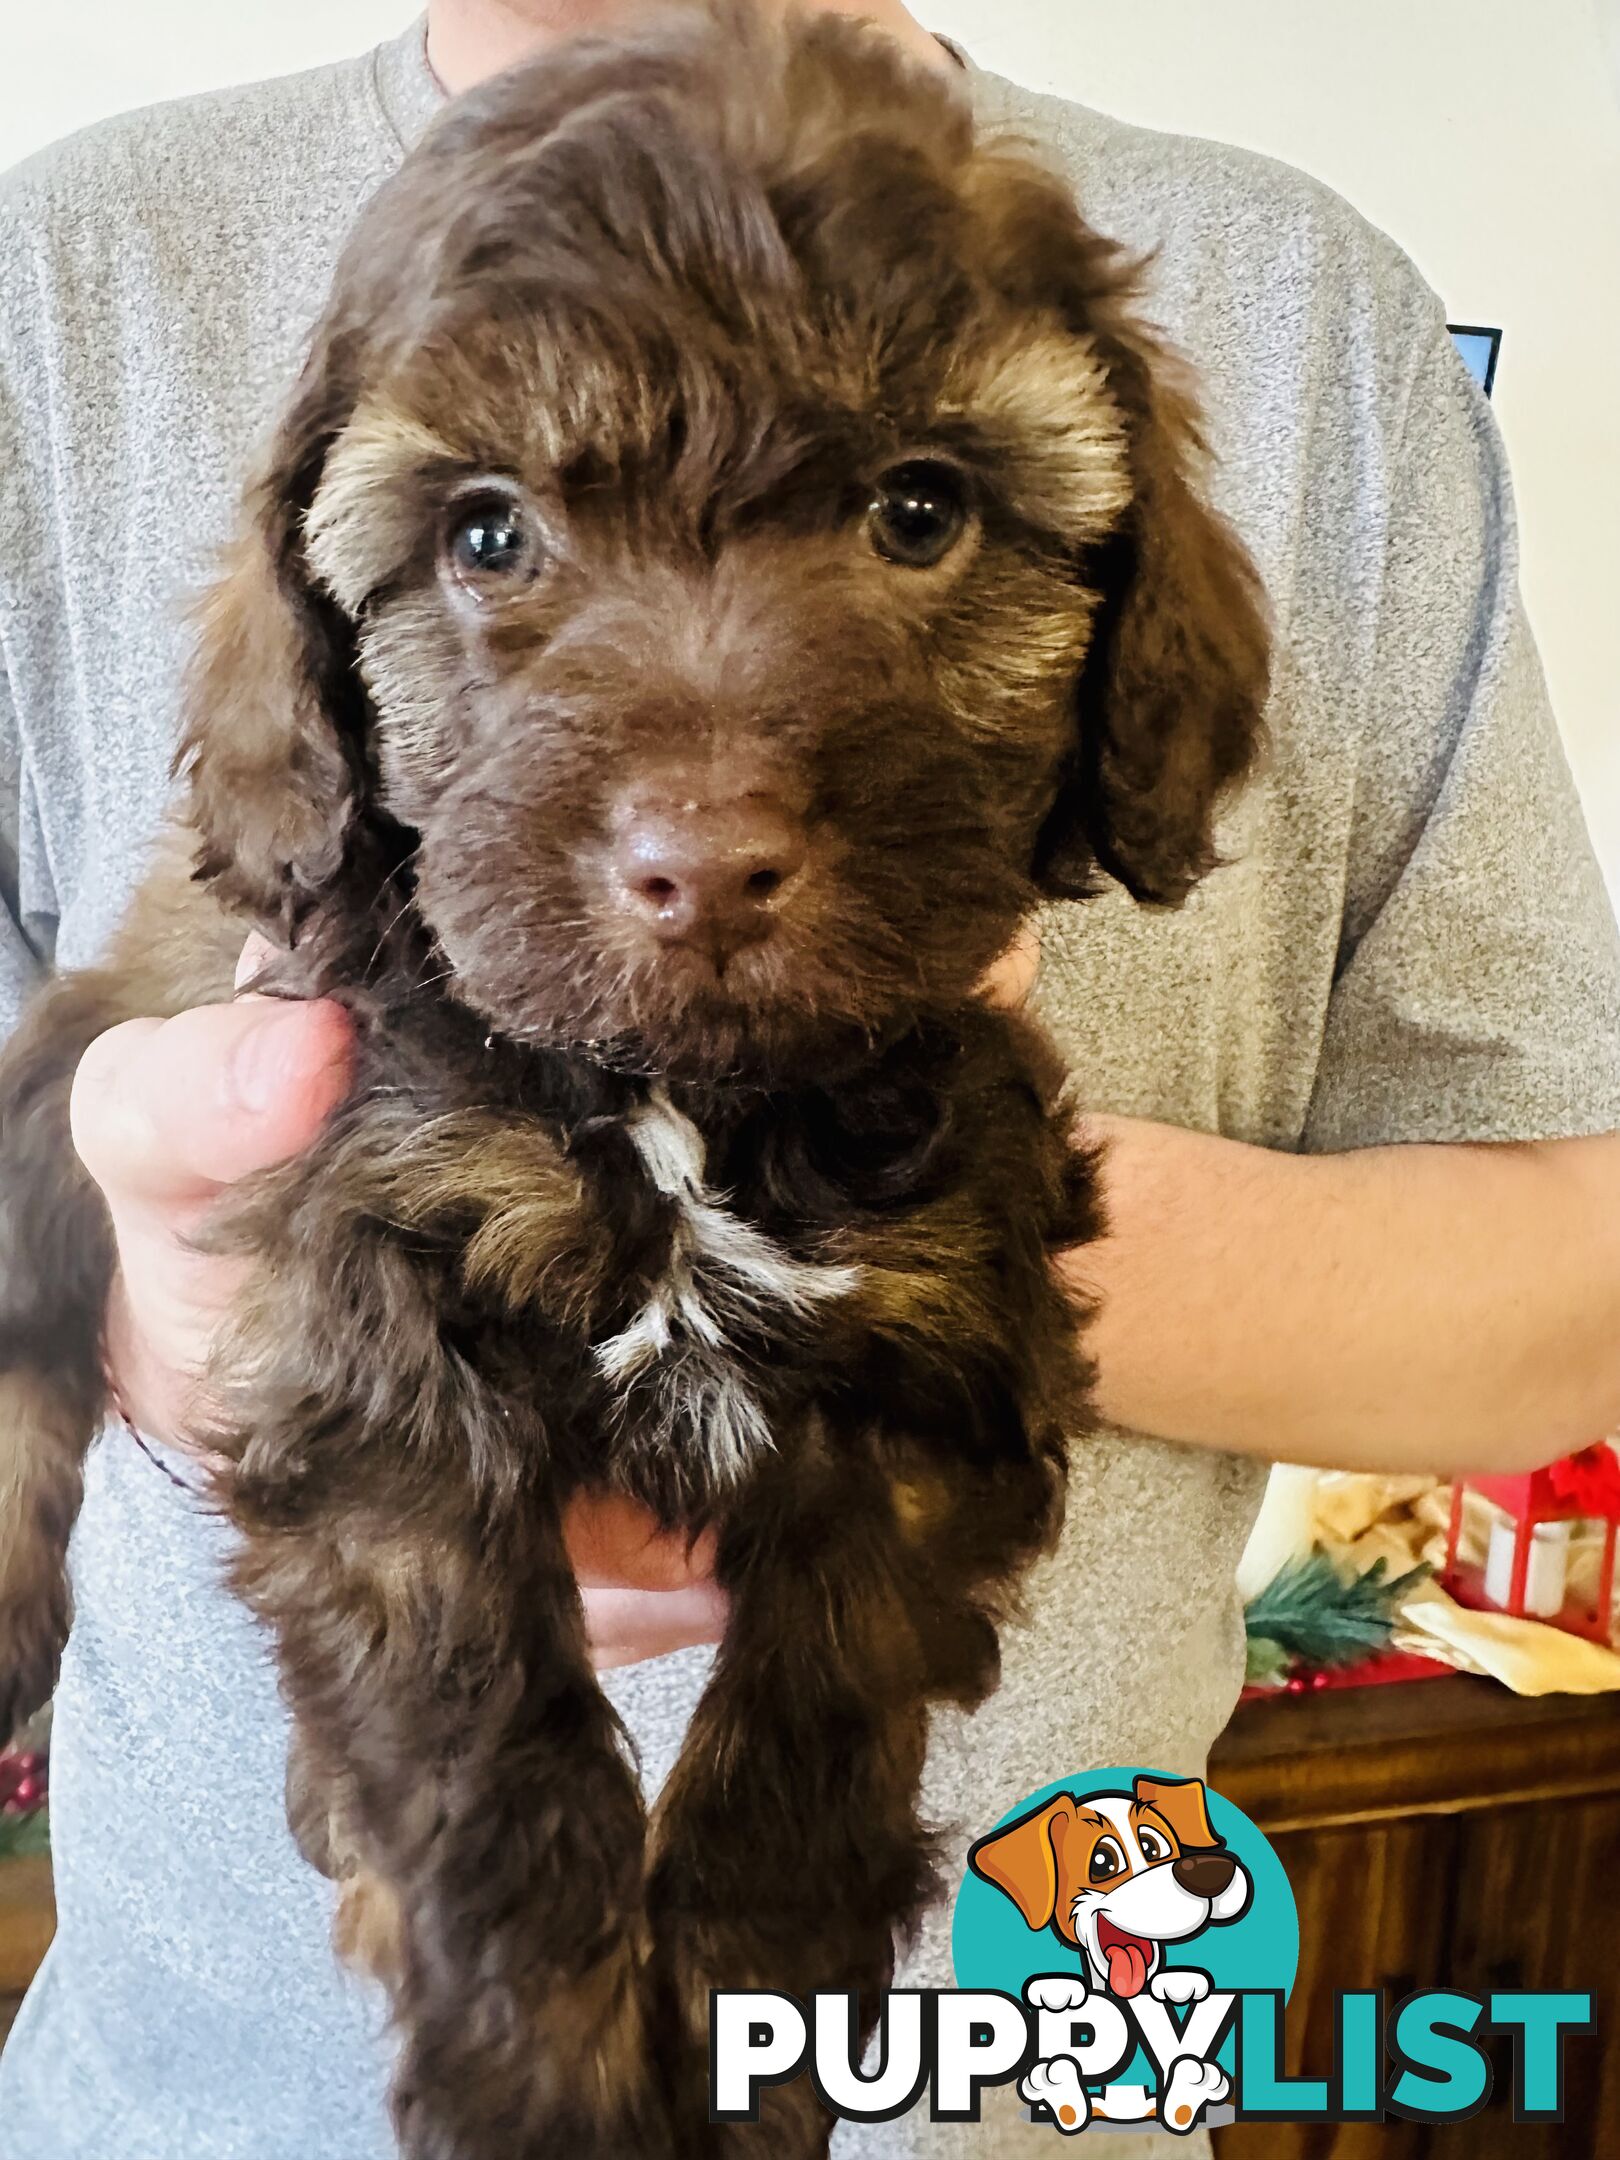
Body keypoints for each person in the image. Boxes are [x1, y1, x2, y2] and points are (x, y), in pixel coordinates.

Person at [1, 2, 1617, 2154]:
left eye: (918, 512)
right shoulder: (61, 275)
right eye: (491, 539)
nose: (703, 810)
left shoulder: (1311, 309)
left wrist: (900, 1284)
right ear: (317, 636)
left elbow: (1570, 1302)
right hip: (190, 2099)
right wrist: (181, 1319)